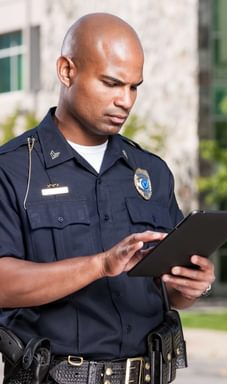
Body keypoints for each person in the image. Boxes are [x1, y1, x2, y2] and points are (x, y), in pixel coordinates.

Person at [0, 12, 215, 384]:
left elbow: (167, 293)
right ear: (67, 71)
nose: (125, 100)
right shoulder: (14, 170)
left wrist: (190, 287)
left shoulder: (151, 172)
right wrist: (100, 265)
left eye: (134, 87)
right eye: (112, 83)